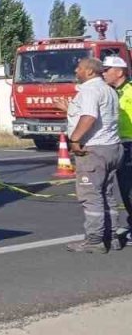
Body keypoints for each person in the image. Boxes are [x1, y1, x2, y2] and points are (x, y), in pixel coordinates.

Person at [55, 57, 122, 253]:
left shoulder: (90, 90)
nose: (76, 70)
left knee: (90, 196)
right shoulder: (108, 90)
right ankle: (112, 237)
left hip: (94, 149)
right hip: (112, 147)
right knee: (106, 195)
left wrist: (75, 139)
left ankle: (94, 240)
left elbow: (89, 116)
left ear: (90, 71)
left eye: (79, 68)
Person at [101, 56, 132, 246]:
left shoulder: (129, 91)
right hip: (119, 144)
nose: (103, 73)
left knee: (130, 190)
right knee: (124, 189)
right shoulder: (111, 92)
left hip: (131, 143)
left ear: (119, 72)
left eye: (107, 69)